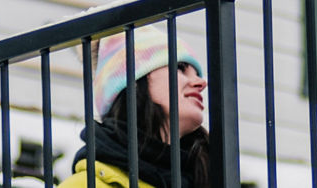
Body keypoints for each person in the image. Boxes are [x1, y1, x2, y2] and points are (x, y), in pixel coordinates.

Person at [66, 33, 212, 188]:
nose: (201, 82)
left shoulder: (211, 174)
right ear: (133, 81)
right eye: (180, 68)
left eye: (197, 74)